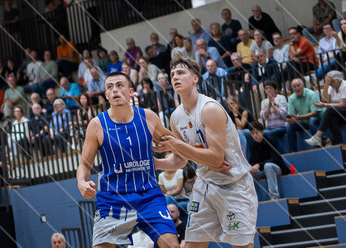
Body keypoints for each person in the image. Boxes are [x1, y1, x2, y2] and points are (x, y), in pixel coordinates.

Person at [76, 72, 179, 248]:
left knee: (172, 245)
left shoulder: (148, 117)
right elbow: (84, 165)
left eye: (119, 85)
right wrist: (81, 182)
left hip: (148, 196)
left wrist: (162, 163)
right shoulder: (96, 125)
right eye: (110, 87)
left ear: (131, 91)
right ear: (106, 95)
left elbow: (179, 150)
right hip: (113, 199)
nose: (114, 90)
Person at [162, 58, 257, 248]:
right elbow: (180, 160)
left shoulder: (209, 109)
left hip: (233, 184)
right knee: (191, 245)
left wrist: (177, 145)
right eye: (172, 75)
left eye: (180, 73)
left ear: (195, 78)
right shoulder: (176, 116)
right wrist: (155, 162)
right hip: (204, 184)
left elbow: (216, 158)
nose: (175, 77)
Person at [245, 122, 290, 200]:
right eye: (252, 133)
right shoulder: (252, 145)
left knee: (268, 166)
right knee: (247, 173)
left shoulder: (271, 141)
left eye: (257, 132)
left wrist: (259, 165)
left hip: (276, 168)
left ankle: (274, 197)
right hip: (263, 170)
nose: (255, 135)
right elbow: (252, 161)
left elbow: (275, 159)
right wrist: (251, 167)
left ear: (262, 132)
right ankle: (250, 200)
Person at [304, 70, 346, 148]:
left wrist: (325, 105)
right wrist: (326, 85)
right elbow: (325, 100)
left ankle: (317, 136)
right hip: (338, 113)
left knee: (329, 110)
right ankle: (339, 145)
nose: (330, 84)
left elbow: (342, 104)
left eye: (331, 82)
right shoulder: (331, 86)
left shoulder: (344, 85)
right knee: (332, 119)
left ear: (337, 80)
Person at [286, 77, 322, 152]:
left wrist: (299, 117)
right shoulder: (291, 98)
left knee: (312, 120)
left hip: (318, 119)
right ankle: (293, 152)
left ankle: (318, 147)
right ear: (292, 89)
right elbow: (292, 115)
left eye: (298, 85)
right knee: (289, 125)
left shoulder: (312, 94)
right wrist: (290, 119)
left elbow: (315, 113)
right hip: (304, 121)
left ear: (303, 85)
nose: (297, 88)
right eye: (294, 87)